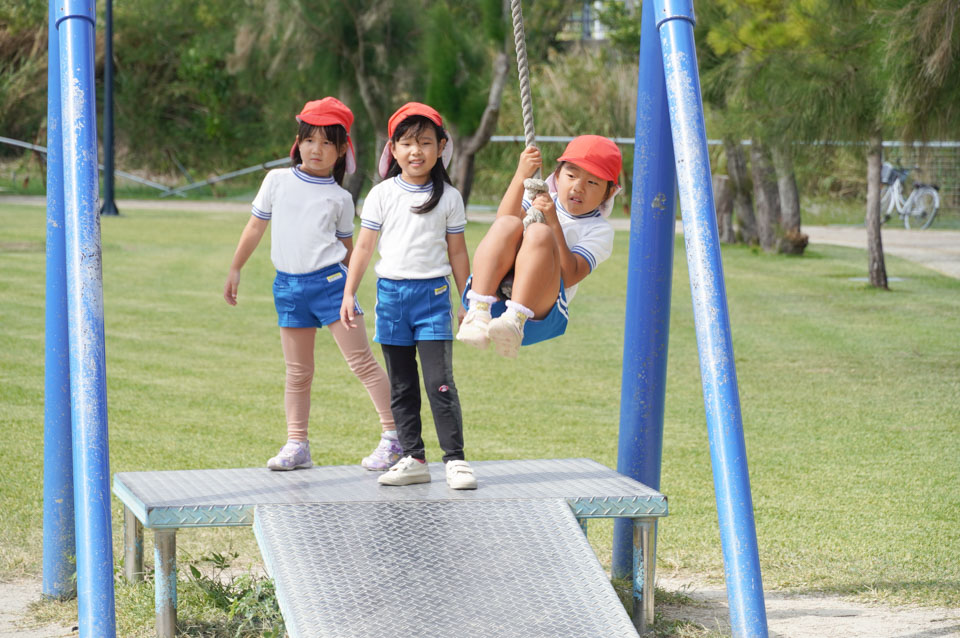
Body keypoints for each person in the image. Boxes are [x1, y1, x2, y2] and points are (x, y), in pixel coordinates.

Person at [224, 97, 402, 472]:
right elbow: (256, 226)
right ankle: (297, 444)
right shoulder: (276, 181)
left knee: (362, 364)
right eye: (309, 140)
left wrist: (352, 291)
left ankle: (395, 436)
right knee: (298, 372)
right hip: (288, 288)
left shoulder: (340, 198)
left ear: (341, 152)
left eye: (326, 143)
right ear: (297, 142)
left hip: (332, 287)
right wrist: (236, 268)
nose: (315, 150)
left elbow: (351, 248)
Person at [340, 102, 476, 490]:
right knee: (401, 385)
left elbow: (458, 252)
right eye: (407, 143)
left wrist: (468, 301)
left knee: (439, 382)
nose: (416, 151)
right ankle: (413, 457)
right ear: (393, 150)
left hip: (433, 298)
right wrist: (349, 293)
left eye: (426, 143)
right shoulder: (381, 194)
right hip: (392, 299)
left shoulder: (449, 197)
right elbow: (364, 249)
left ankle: (455, 460)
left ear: (441, 147)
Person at [456, 136, 621, 358]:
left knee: (539, 232)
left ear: (609, 192)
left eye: (593, 183)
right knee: (510, 222)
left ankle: (514, 320)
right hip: (500, 289)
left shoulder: (598, 230)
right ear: (557, 175)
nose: (578, 187)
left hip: (536, 311)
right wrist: (521, 175)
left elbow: (569, 275)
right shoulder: (540, 194)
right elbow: (502, 225)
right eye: (571, 175)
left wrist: (552, 220)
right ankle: (478, 310)